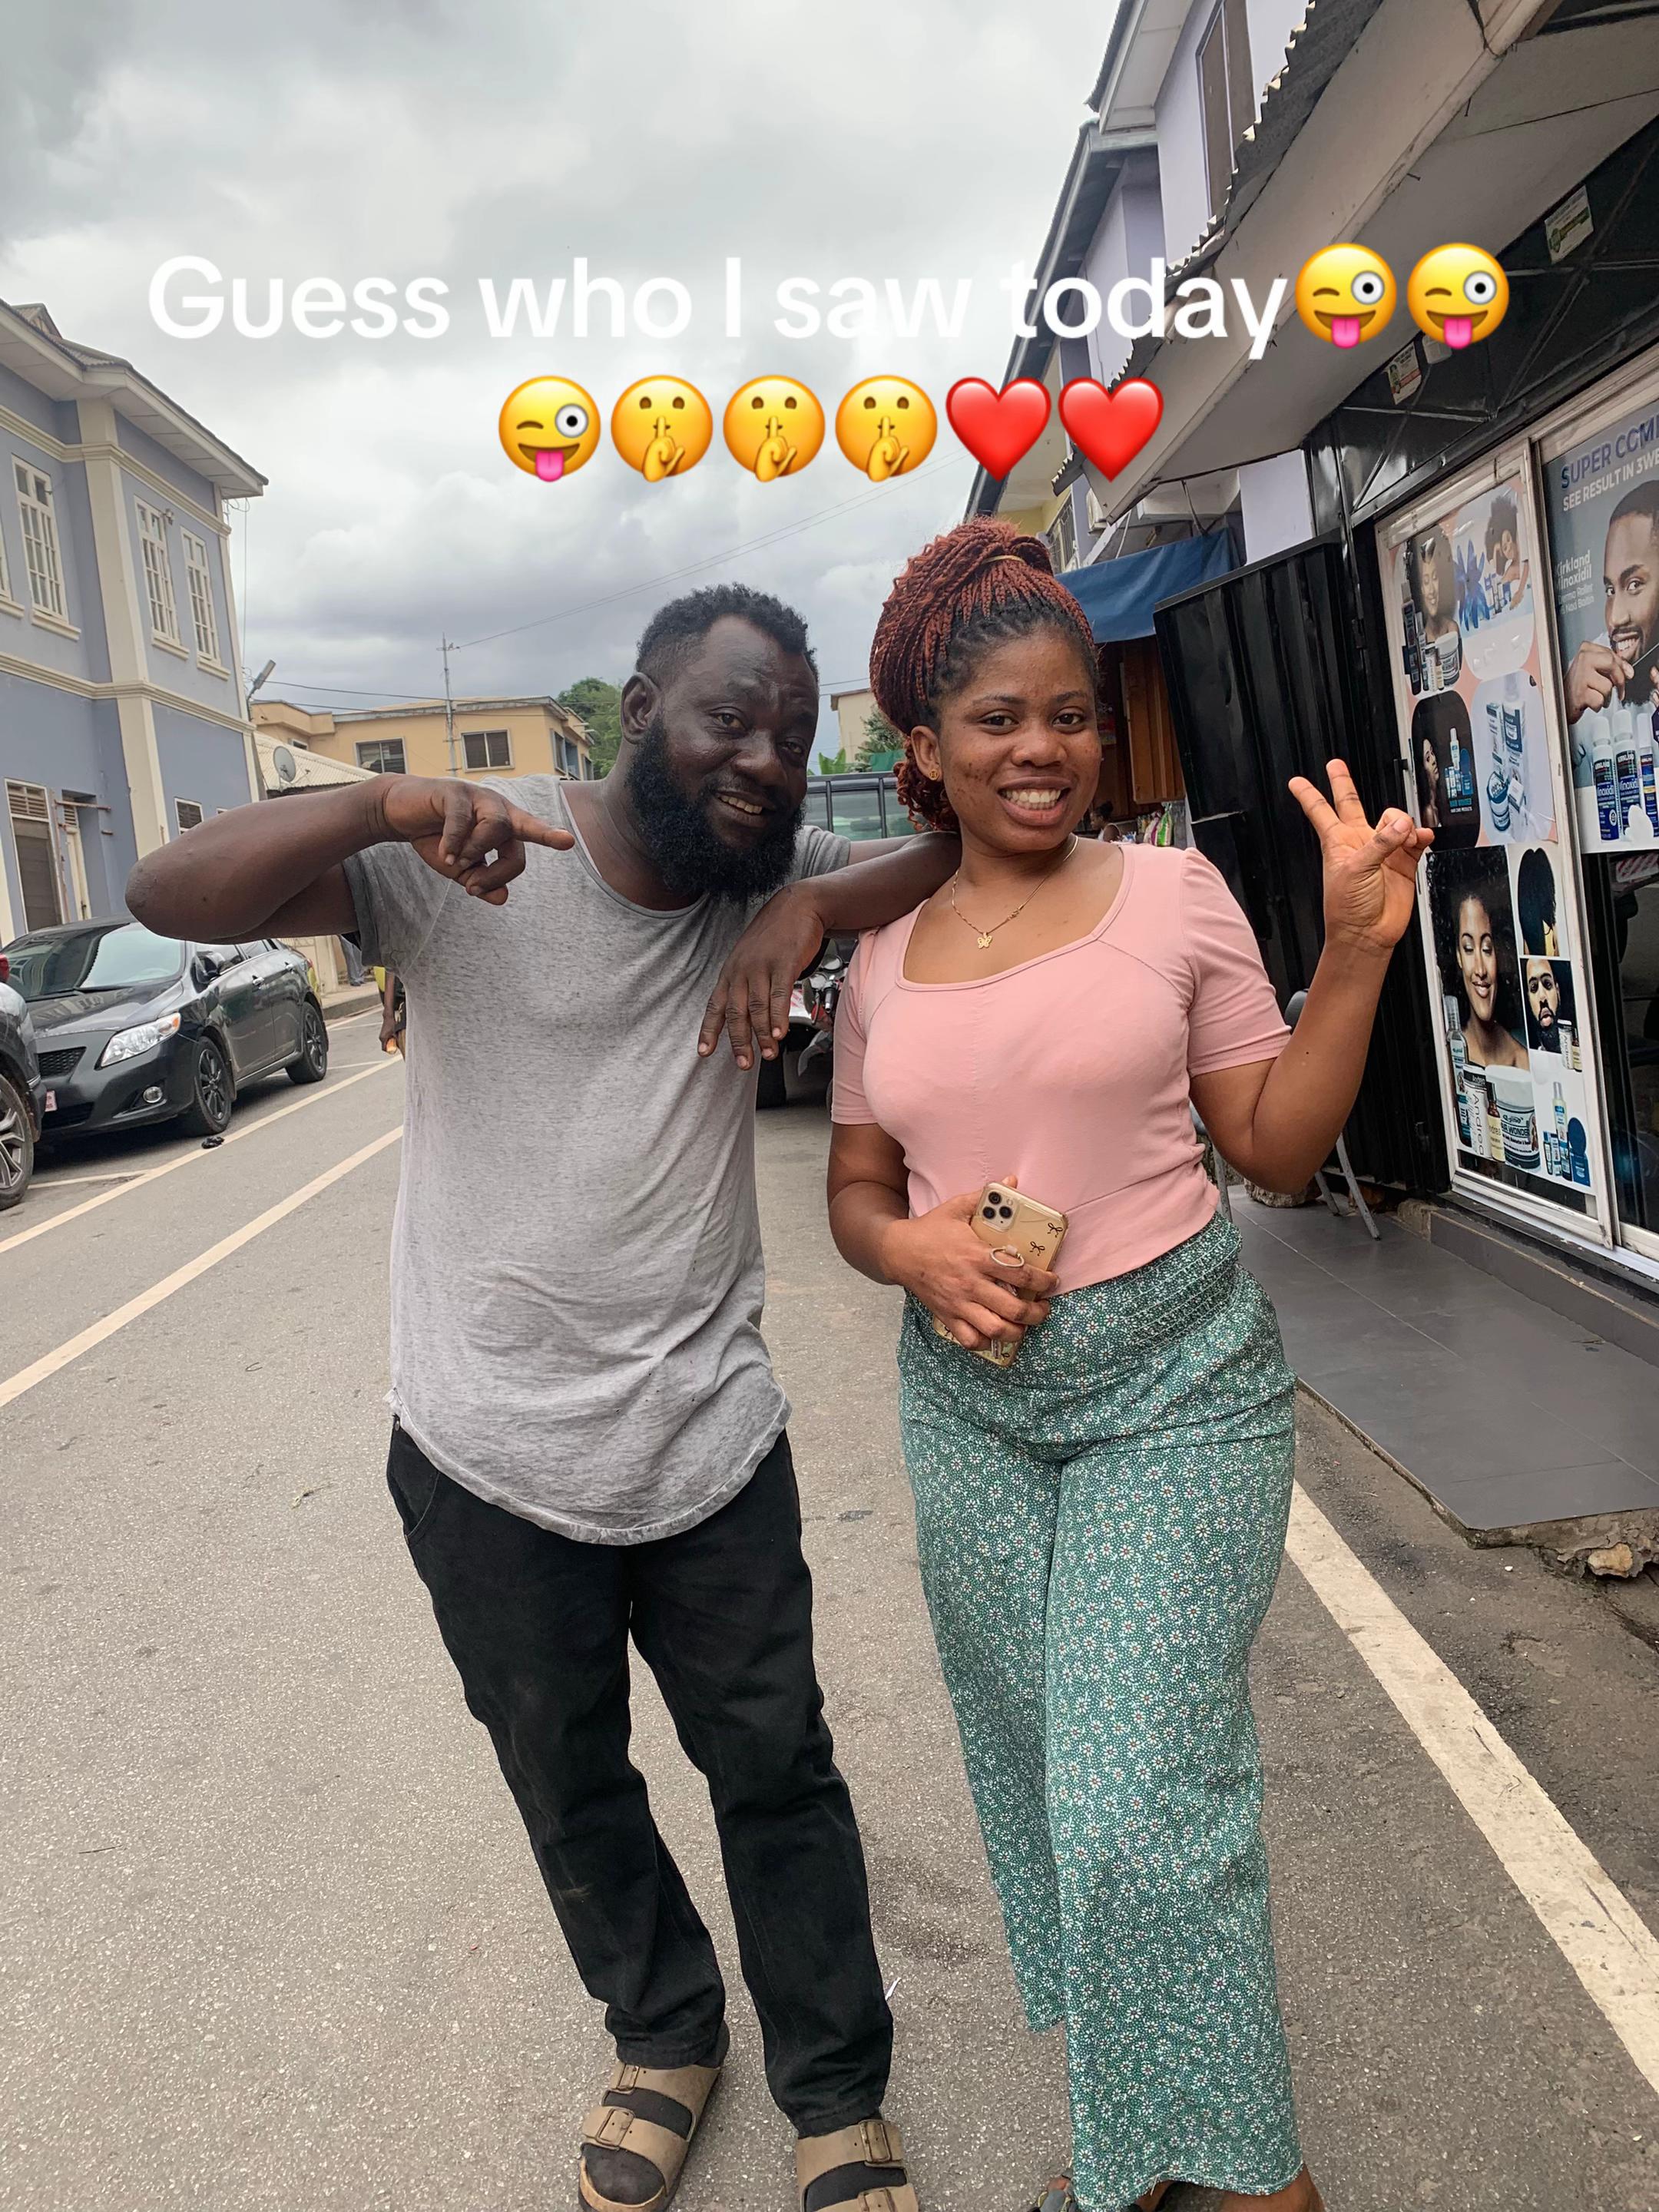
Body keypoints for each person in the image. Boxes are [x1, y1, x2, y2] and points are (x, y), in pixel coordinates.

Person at [127, 582, 959, 2212]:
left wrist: (811, 908)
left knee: (776, 1770)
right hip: (485, 1450)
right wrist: (380, 803)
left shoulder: (761, 869)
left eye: (792, 735)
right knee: (565, 1774)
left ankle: (836, 2090)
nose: (766, 759)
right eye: (731, 718)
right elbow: (171, 893)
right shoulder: (469, 860)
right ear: (638, 712)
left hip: (711, 1438)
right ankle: (664, 2032)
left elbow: (946, 855)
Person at [823, 522, 1431, 2212]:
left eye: (1072, 715)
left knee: (1138, 1809)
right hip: (973, 1413)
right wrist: (909, 1250)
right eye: (1000, 720)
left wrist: (1359, 951)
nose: (1045, 749)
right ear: (925, 747)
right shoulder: (882, 960)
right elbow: (857, 1188)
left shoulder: (1173, 896)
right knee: (1050, 1795)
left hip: (1175, 1391)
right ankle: (1147, 2147)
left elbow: (1276, 1150)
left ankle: (1259, 2185)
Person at [1563, 482, 1659, 724]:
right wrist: (1563, 708)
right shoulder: (1591, 676)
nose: (1615, 618)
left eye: (1634, 585)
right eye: (1610, 590)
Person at [1432, 856, 1529, 1071]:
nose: (1480, 970)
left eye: (1487, 949)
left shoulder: (1524, 1062)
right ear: (1458, 956)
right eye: (1468, 948)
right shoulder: (1449, 1055)